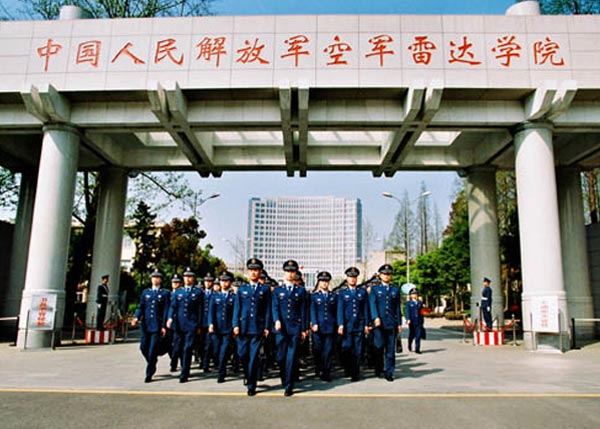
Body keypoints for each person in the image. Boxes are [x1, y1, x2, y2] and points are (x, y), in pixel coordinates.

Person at [233, 258, 271, 396]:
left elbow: (267, 309)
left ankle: (251, 384)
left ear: (260, 272)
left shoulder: (265, 289)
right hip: (243, 327)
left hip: (257, 327)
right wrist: (235, 325)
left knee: (254, 357)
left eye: (256, 270)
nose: (253, 273)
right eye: (251, 270)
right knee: (242, 354)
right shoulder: (242, 289)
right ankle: (247, 374)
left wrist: (267, 326)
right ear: (248, 272)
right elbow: (237, 308)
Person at [272, 259, 308, 397]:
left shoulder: (301, 291)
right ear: (284, 273)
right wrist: (276, 320)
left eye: (293, 272)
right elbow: (274, 307)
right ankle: (284, 376)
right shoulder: (277, 291)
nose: (290, 274)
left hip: (295, 328)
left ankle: (289, 385)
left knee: (292, 357)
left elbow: (304, 310)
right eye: (288, 271)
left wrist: (304, 329)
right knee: (281, 357)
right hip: (281, 329)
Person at [131, 269, 170, 383]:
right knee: (143, 347)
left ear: (161, 280)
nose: (155, 279)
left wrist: (164, 326)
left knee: (153, 349)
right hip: (146, 325)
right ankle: (152, 361)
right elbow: (141, 306)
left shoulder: (164, 293)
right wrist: (136, 317)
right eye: (153, 277)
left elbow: (166, 311)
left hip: (157, 326)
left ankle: (149, 373)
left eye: (157, 277)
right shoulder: (146, 292)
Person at [167, 267, 203, 383]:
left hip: (191, 325)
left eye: (190, 276)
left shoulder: (198, 292)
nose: (188, 279)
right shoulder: (178, 292)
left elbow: (200, 310)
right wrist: (169, 318)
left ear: (193, 278)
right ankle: (181, 365)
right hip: (179, 325)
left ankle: (184, 373)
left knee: (187, 348)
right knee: (177, 348)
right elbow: (173, 307)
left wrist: (199, 325)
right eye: (186, 276)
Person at [369, 264, 402, 382]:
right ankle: (378, 368)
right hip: (379, 324)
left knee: (390, 349)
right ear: (380, 275)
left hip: (391, 323)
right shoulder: (375, 289)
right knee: (378, 347)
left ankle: (389, 372)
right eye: (384, 274)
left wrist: (399, 323)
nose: (386, 276)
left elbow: (397, 308)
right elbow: (372, 304)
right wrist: (375, 317)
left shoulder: (395, 289)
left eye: (388, 274)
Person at [337, 266, 368, 382]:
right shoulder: (342, 293)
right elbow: (340, 309)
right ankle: (348, 368)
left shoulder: (362, 292)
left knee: (358, 349)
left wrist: (366, 324)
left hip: (359, 324)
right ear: (347, 278)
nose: (352, 279)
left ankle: (355, 372)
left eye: (354, 277)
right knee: (347, 348)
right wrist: (340, 324)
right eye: (350, 277)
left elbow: (365, 309)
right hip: (347, 325)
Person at [208, 271, 236, 383]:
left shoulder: (233, 297)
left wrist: (234, 327)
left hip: (227, 328)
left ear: (230, 282)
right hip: (216, 328)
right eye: (222, 281)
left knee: (223, 351)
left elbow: (235, 313)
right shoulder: (215, 296)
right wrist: (210, 323)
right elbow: (211, 311)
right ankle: (219, 365)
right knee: (216, 351)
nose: (224, 283)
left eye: (226, 281)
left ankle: (222, 373)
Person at [310, 271, 337, 382]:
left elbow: (336, 311)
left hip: (330, 327)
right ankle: (318, 368)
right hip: (318, 327)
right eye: (322, 281)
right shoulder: (314, 296)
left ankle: (326, 372)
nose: (325, 283)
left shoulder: (333, 296)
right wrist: (314, 323)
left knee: (328, 350)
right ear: (319, 282)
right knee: (317, 349)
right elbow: (312, 310)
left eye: (326, 281)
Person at [199, 272, 216, 372]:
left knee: (208, 344)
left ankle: (206, 363)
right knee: (200, 344)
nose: (207, 283)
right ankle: (202, 360)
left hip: (211, 323)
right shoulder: (200, 293)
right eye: (206, 281)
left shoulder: (215, 294)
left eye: (210, 281)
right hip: (201, 322)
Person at [168, 273, 184, 372]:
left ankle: (181, 364)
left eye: (177, 282)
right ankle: (173, 361)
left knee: (180, 345)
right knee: (171, 345)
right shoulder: (168, 294)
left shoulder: (182, 294)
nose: (175, 284)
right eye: (174, 282)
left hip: (180, 323)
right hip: (170, 324)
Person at [406, 288, 424, 354]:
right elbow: (407, 312)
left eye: (416, 294)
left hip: (418, 321)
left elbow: (422, 312)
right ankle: (409, 344)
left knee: (418, 336)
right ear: (411, 295)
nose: (414, 295)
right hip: (412, 321)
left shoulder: (420, 303)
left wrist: (422, 321)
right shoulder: (408, 303)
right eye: (413, 294)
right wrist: (408, 319)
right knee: (411, 335)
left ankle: (417, 349)